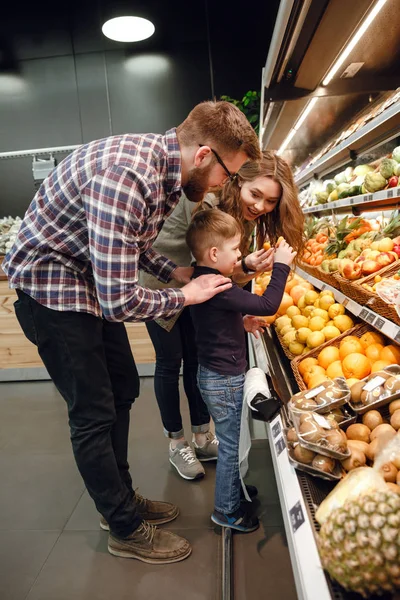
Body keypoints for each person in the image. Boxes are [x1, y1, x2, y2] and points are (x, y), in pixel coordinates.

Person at [2, 100, 261, 565]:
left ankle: (120, 499)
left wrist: (176, 272)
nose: (228, 185)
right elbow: (121, 300)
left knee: (123, 388)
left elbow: (135, 243)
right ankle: (123, 526)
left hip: (85, 281)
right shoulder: (128, 177)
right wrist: (187, 296)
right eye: (230, 173)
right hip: (51, 289)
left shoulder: (165, 175)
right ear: (204, 155)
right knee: (93, 412)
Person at [140, 151, 303, 481]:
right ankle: (177, 443)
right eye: (255, 194)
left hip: (200, 290)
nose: (260, 207)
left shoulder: (241, 216)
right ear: (239, 181)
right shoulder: (203, 202)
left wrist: (245, 266)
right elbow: (177, 257)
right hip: (165, 286)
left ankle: (202, 437)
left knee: (198, 360)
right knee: (170, 362)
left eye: (270, 201)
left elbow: (219, 277)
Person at [187, 210, 297, 532]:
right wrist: (281, 267)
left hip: (212, 375)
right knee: (230, 447)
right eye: (235, 249)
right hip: (224, 381)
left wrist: (241, 321)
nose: (240, 255)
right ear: (214, 254)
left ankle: (233, 495)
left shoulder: (202, 280)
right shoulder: (220, 286)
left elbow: (215, 322)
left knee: (231, 442)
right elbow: (268, 305)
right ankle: (226, 511)